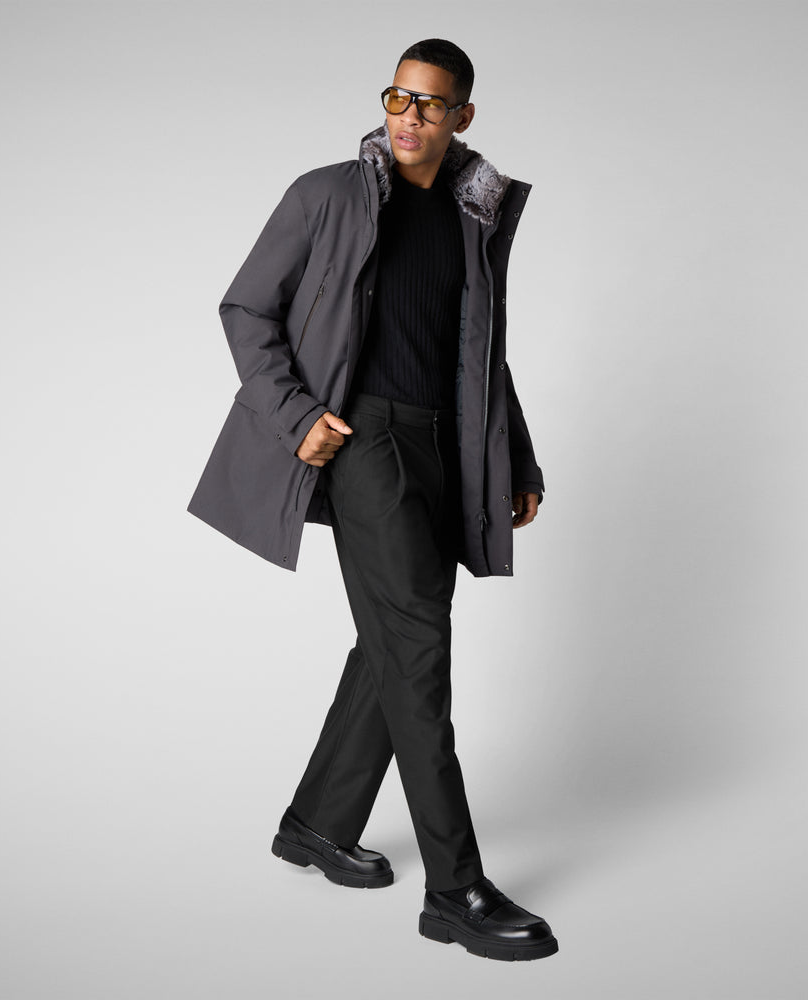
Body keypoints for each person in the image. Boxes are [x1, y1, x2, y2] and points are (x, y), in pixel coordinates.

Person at [187, 38, 557, 962]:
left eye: (430, 104)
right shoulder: (326, 195)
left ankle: (317, 822)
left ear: (462, 116)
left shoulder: (473, 218)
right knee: (419, 647)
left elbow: (482, 351)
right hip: (365, 440)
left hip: (445, 444)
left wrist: (516, 457)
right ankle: (456, 889)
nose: (409, 116)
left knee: (394, 640)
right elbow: (246, 309)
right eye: (398, 97)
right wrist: (296, 416)